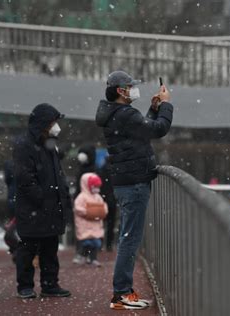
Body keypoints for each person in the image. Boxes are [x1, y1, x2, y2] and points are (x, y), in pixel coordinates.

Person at [96, 70, 173, 310]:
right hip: (135, 183)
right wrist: (167, 106)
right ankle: (121, 293)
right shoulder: (125, 114)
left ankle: (123, 291)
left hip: (125, 182)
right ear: (120, 91)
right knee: (129, 239)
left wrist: (153, 110)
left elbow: (141, 131)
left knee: (127, 237)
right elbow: (158, 130)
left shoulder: (115, 114)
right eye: (129, 87)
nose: (133, 90)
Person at [13, 103, 72, 299]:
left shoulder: (50, 144)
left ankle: (50, 285)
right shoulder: (25, 146)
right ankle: (25, 286)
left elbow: (57, 175)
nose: (57, 127)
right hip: (34, 209)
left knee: (50, 249)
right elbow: (25, 179)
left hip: (49, 208)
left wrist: (61, 197)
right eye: (53, 122)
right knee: (28, 250)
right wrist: (42, 198)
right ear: (44, 124)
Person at [74, 173, 108, 267]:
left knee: (96, 243)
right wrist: (88, 212)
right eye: (94, 186)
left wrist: (101, 211)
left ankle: (93, 258)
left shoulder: (98, 197)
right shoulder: (81, 197)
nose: (96, 189)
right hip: (85, 224)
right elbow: (77, 208)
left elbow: (104, 207)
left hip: (95, 225)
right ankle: (83, 256)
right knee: (86, 242)